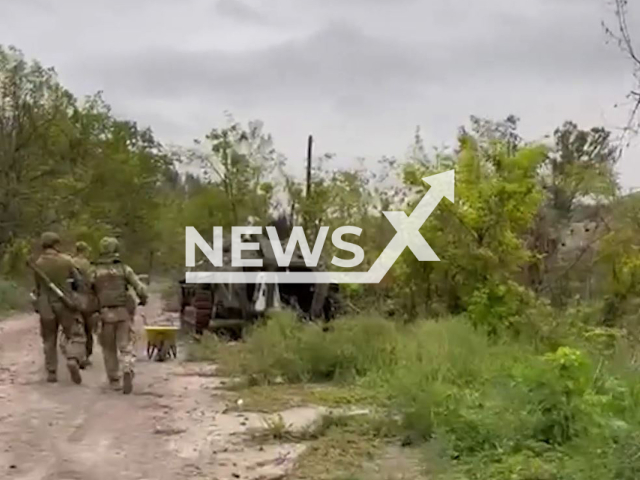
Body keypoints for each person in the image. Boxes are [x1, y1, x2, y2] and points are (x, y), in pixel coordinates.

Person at [90, 237, 147, 394]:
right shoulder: (124, 268)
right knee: (125, 345)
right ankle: (127, 367)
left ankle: (114, 380)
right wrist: (143, 299)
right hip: (122, 312)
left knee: (108, 349)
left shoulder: (94, 271)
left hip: (104, 314)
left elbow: (87, 291)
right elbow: (140, 288)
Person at [33, 232, 86, 384]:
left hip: (45, 306)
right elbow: (79, 282)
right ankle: (73, 358)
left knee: (49, 339)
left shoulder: (38, 263)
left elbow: (37, 288)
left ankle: (51, 372)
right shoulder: (66, 261)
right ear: (56, 244)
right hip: (65, 304)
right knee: (76, 335)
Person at [72, 241, 98, 368]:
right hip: (88, 300)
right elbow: (93, 282)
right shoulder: (89, 265)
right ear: (85, 251)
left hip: (72, 299)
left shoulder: (70, 262)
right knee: (88, 330)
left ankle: (75, 355)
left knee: (74, 329)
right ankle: (86, 356)